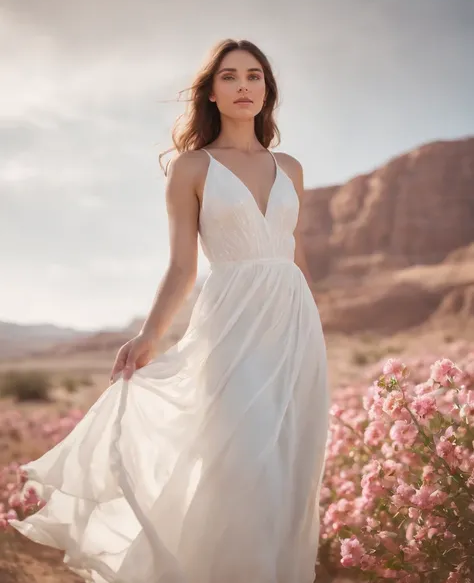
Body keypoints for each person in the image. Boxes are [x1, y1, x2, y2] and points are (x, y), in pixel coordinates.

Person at [10, 38, 331, 583]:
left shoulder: (291, 167)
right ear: (210, 91)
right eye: (230, 77)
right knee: (244, 461)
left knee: (289, 470)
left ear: (267, 89)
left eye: (255, 76)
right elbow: (183, 267)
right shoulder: (191, 168)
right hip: (231, 325)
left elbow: (295, 256)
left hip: (294, 327)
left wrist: (313, 329)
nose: (244, 86)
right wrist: (149, 336)